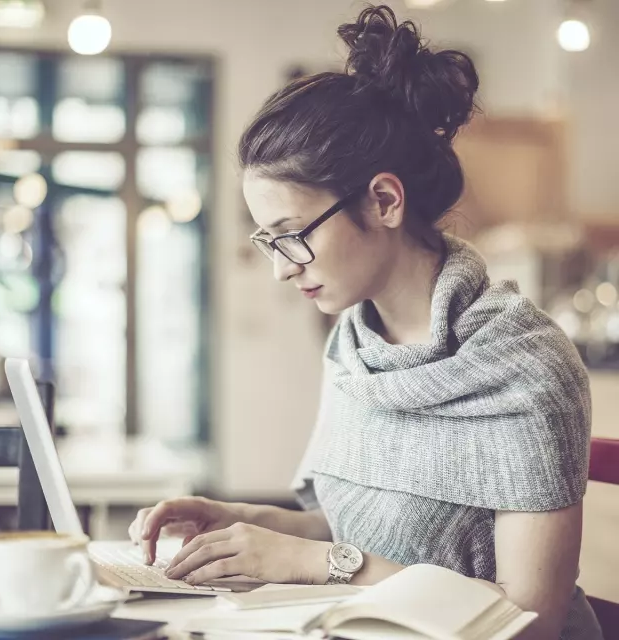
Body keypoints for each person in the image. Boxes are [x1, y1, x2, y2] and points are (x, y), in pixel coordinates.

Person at [128, 6, 602, 639]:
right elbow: (359, 534)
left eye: (291, 235)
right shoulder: (353, 345)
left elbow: (531, 618)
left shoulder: (526, 369)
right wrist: (239, 522)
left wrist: (318, 562)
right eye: (267, 242)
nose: (281, 269)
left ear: (383, 201)